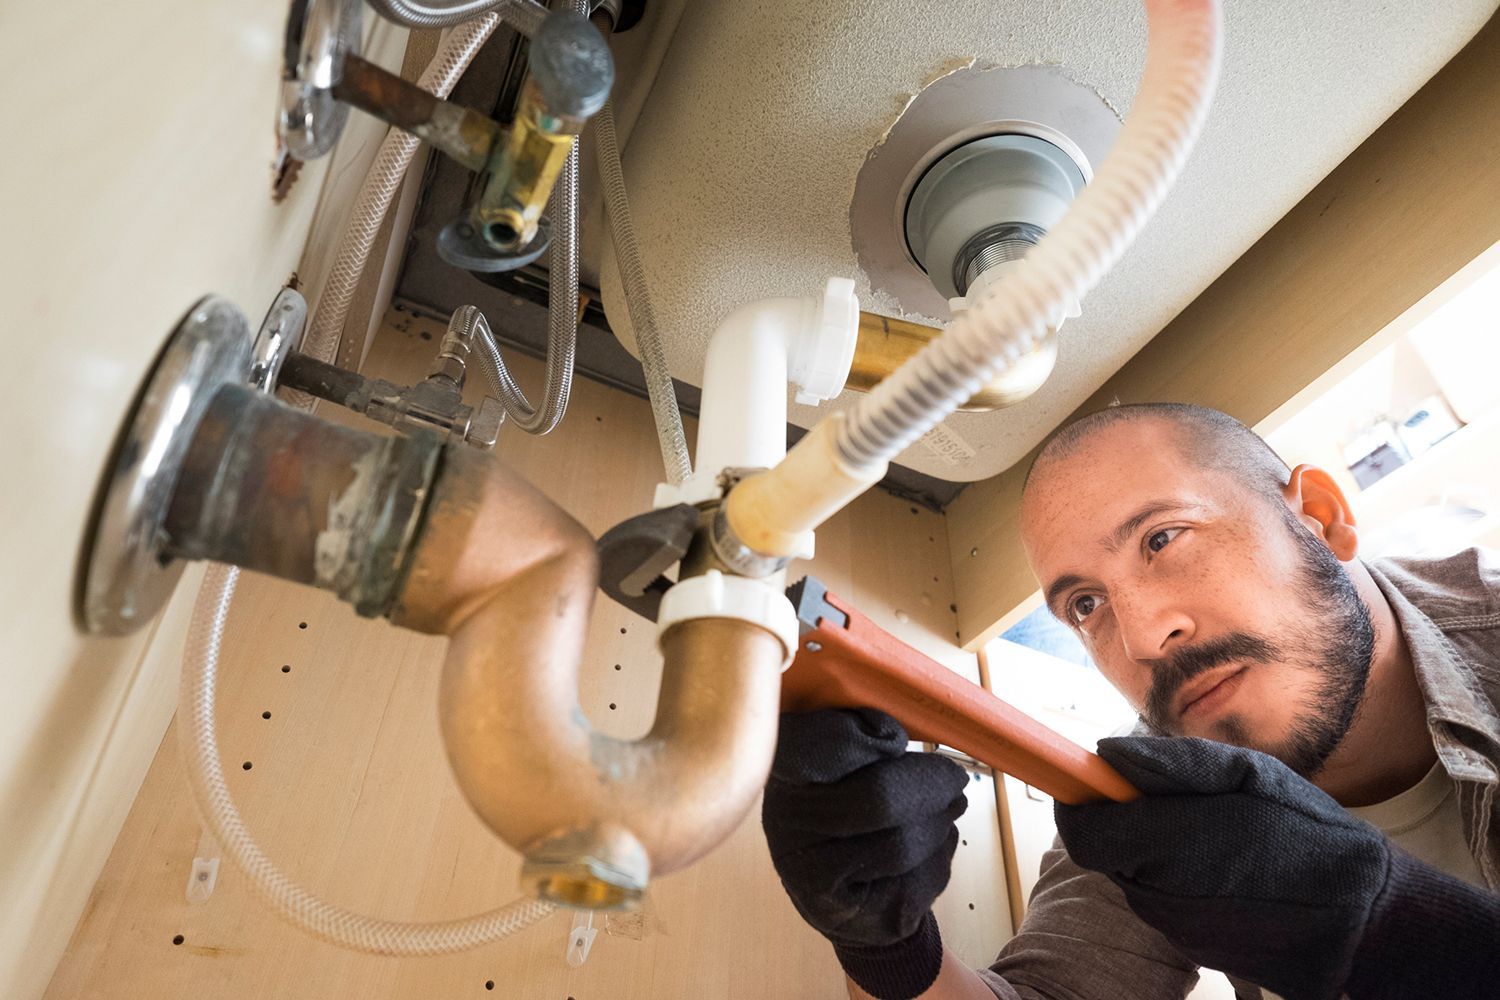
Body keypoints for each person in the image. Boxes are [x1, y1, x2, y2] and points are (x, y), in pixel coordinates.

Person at [761, 403, 1500, 1000]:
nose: (1146, 636)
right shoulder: (1150, 797)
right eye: (1086, 604)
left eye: (1163, 538)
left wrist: (1389, 926)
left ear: (1322, 516)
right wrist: (888, 951)